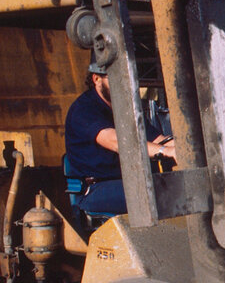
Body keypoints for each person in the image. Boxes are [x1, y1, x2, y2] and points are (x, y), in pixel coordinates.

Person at [64, 62, 176, 216]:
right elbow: (119, 143)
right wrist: (166, 151)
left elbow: (158, 139)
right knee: (161, 194)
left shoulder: (125, 108)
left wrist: (184, 149)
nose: (123, 84)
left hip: (130, 181)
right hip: (97, 188)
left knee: (180, 184)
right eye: (115, 78)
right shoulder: (83, 110)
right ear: (97, 79)